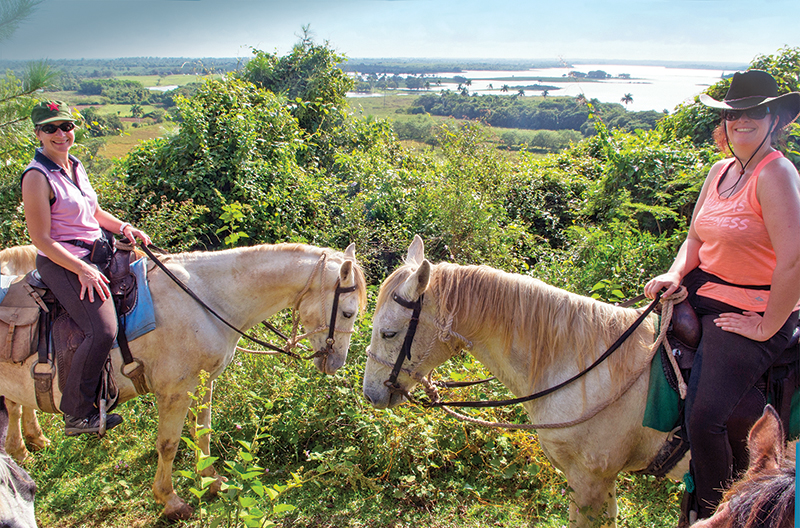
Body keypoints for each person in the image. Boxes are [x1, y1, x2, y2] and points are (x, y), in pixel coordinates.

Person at [644, 70, 800, 521]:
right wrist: (675, 272)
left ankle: (716, 514)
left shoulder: (776, 174)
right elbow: (695, 239)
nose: (742, 122)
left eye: (755, 113)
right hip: (706, 289)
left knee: (706, 416)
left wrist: (768, 325)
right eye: (734, 115)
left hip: (754, 305)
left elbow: (793, 260)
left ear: (775, 120)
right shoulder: (720, 171)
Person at [21, 101, 152, 436]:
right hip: (63, 262)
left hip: (97, 252)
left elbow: (93, 212)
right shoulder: (36, 177)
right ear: (38, 134)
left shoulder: (75, 165)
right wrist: (82, 269)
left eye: (66, 126)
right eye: (50, 128)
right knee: (102, 329)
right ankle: (78, 413)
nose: (60, 134)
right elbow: (40, 239)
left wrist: (125, 227)